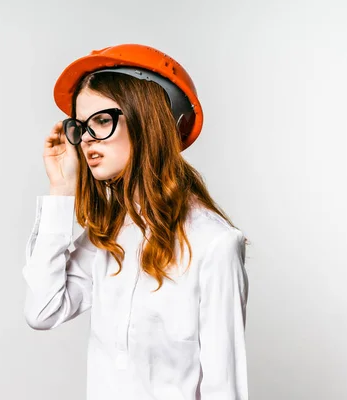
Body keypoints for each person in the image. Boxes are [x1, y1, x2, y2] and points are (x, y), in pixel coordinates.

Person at [22, 43, 249, 400]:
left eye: (101, 120)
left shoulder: (214, 243)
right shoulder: (108, 236)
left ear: (147, 120)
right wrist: (61, 188)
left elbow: (225, 388)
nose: (86, 140)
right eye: (81, 126)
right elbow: (42, 311)